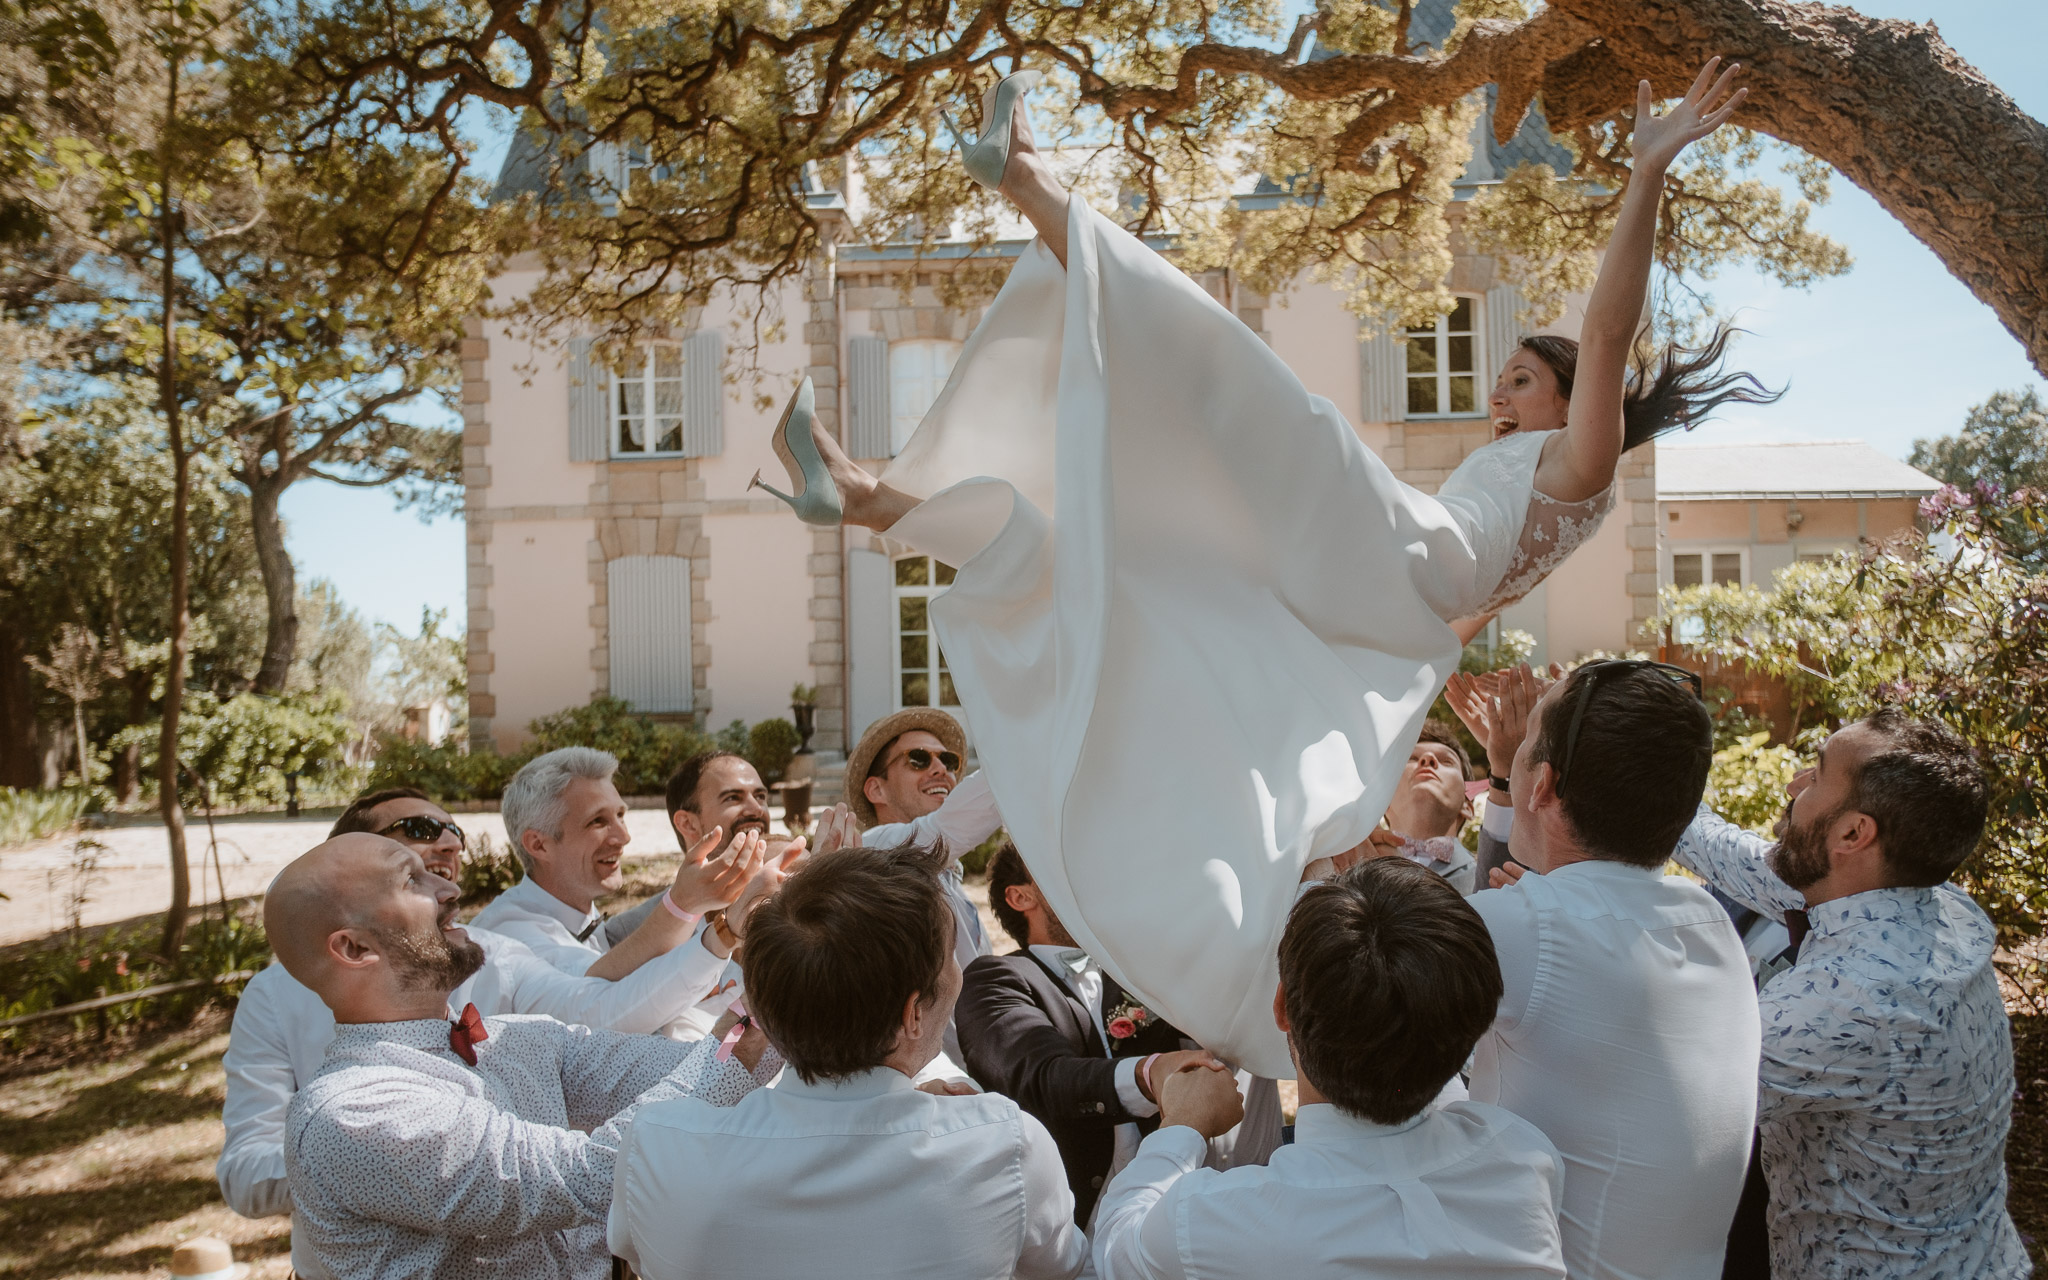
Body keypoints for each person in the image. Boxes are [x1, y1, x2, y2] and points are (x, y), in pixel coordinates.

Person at [749, 59, 1762, 1075]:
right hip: (1366, 596)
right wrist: (1368, 697)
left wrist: (1644, 174)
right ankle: (869, 500)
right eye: (1499, 380)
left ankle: (1031, 185)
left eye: (1521, 379)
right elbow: (1444, 629)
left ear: (1573, 400)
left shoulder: (1580, 467)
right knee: (1107, 563)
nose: (1496, 393)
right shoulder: (1504, 464)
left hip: (1391, 558)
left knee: (1239, 387)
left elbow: (1606, 329)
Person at [216, 786, 762, 1279]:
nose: (449, 888)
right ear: (355, 948)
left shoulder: (518, 1039)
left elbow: (685, 1064)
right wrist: (753, 1026)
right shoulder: (355, 1114)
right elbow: (588, 1176)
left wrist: (776, 992)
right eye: (413, 879)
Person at [607, 842, 1088, 1280]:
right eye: (951, 956)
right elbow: (1070, 1272)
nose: (960, 973)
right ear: (913, 1013)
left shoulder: (659, 1146)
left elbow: (635, 1257)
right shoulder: (1003, 1146)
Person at [1670, 709, 2026, 1277]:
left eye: (1815, 774)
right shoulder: (1943, 906)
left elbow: (1655, 1103)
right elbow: (1737, 858)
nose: (1794, 786)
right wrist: (1635, 774)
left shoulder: (1845, 1007)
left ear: (1854, 833)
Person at [1093, 858, 1566, 1279]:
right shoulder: (1522, 1161)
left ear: (1280, 1007)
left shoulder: (1213, 1224)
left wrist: (1181, 1126)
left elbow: (1116, 1246)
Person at [1463, 660, 1761, 1279]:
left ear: (1541, 785)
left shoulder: (1524, 928)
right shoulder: (1708, 925)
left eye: (1523, 743)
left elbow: (1334, 1017)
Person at [958, 843, 1221, 1225]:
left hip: (1166, 1207)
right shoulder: (997, 979)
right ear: (1020, 896)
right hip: (1067, 1222)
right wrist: (1147, 1075)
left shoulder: (1136, 973)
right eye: (1064, 873)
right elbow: (1043, 1077)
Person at [471, 747, 774, 1014]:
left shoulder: (588, 920)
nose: (624, 836)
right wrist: (689, 907)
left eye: (620, 815)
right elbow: (594, 993)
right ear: (538, 845)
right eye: (598, 821)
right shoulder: (510, 932)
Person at [1383, 720, 1480, 893]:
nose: (1428, 759)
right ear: (1384, 803)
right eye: (1412, 758)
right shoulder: (1344, 870)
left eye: (1447, 761)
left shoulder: (1490, 878)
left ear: (1467, 805)